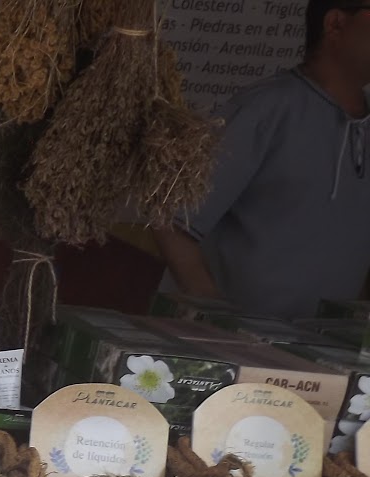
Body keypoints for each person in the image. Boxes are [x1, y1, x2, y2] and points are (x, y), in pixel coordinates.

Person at [155, 0, 370, 318]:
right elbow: (171, 220)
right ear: (336, 24)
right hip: (240, 343)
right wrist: (214, 316)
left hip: (323, 346)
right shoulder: (266, 110)